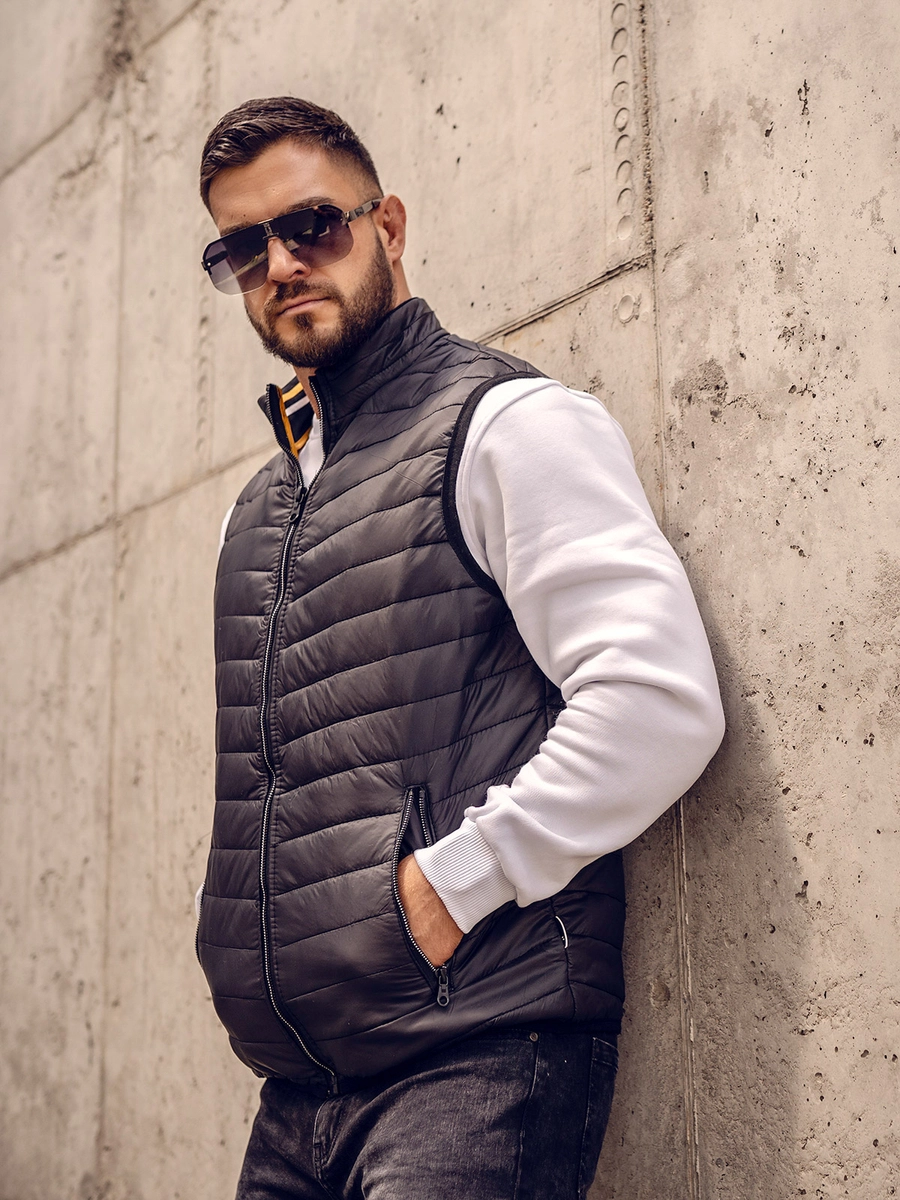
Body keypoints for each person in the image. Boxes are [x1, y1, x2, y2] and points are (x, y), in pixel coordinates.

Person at [194, 96, 725, 1200]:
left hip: (476, 1061)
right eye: (243, 249)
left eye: (311, 226)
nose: (281, 264)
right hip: (296, 1094)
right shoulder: (262, 508)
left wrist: (449, 889)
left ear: (386, 226)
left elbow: (658, 698)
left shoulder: (504, 426)